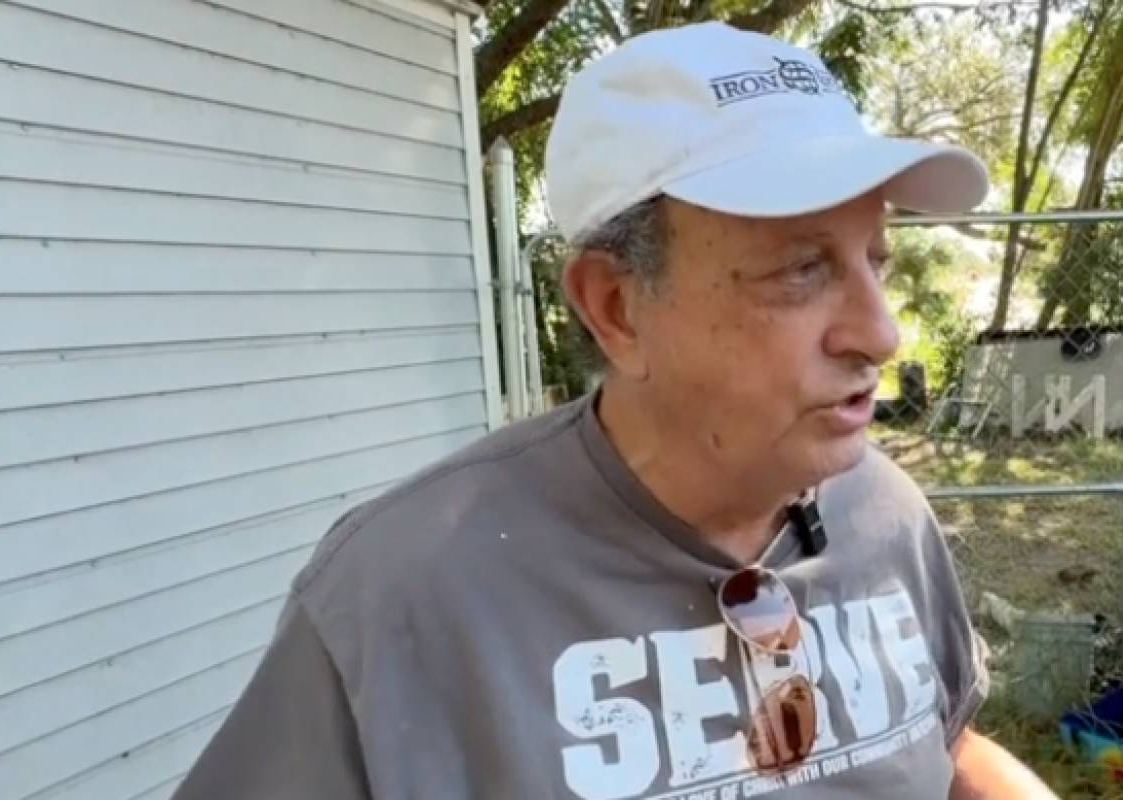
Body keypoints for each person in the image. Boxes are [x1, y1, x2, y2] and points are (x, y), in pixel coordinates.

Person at [173, 21, 1057, 800]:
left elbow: (943, 749)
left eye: (876, 259)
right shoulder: (401, 596)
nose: (883, 332)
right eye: (802, 269)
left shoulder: (887, 513)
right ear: (617, 308)